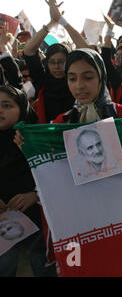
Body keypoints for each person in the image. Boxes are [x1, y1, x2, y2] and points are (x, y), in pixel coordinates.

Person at [0, 85, 56, 277]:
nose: (0, 110)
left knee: (39, 260)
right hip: (4, 221)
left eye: (6, 105)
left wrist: (34, 195)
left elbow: (54, 175)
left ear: (22, 108)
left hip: (38, 217)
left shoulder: (36, 139)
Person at [22, 0, 89, 123]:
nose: (57, 66)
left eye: (61, 62)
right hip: (50, 138)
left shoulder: (78, 82)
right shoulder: (42, 80)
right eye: (52, 62)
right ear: (47, 64)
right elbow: (28, 50)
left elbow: (86, 49)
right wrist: (52, 22)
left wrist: (62, 20)